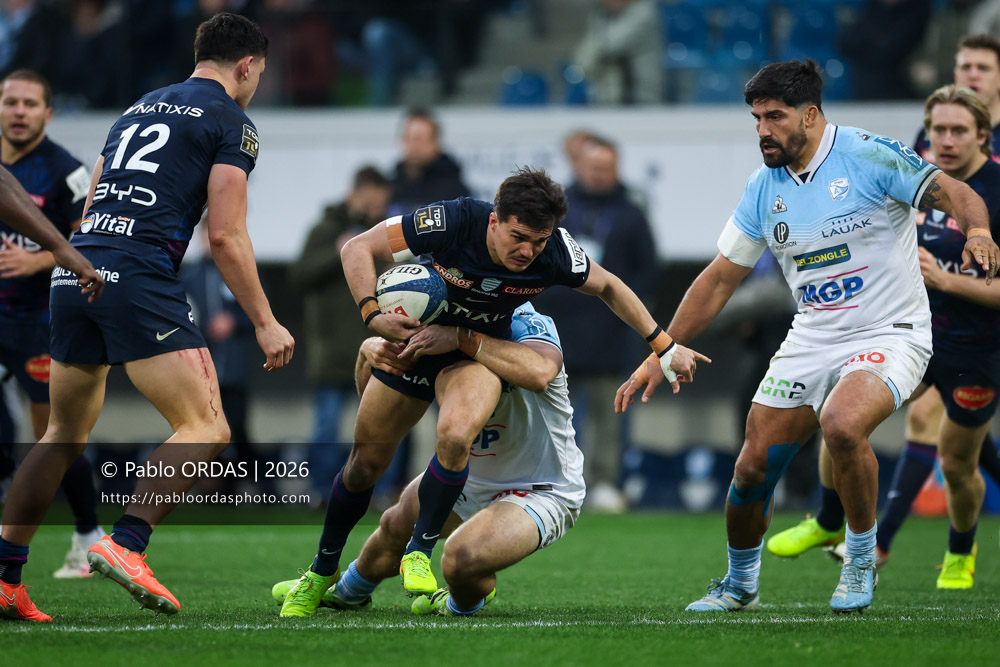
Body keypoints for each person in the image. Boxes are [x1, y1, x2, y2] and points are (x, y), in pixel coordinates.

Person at [616, 59, 999, 614]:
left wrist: (979, 232)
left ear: (811, 115)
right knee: (751, 467)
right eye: (756, 118)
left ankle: (860, 560)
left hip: (892, 331)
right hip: (813, 336)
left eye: (775, 116)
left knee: (842, 423)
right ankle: (740, 584)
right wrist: (662, 348)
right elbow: (720, 278)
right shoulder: (762, 187)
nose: (762, 130)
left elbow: (956, 192)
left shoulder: (869, 155)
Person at [278, 167, 708, 617]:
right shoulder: (453, 220)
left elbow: (609, 286)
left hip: (471, 355)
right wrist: (372, 317)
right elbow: (357, 247)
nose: (527, 251)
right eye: (518, 237)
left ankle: (419, 553)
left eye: (538, 241)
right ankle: (322, 572)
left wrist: (664, 346)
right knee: (364, 465)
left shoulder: (553, 260)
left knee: (454, 434)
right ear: (493, 220)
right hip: (419, 343)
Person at [0, 12, 294, 623]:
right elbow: (226, 236)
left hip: (77, 268)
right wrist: (265, 320)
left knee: (60, 434)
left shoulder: (136, 108)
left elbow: (92, 202)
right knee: (206, 428)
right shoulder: (232, 121)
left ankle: (4, 579)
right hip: (138, 273)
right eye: (259, 73)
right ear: (246, 66)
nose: (256, 84)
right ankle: (127, 543)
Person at [770, 35, 1000, 566]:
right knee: (841, 415)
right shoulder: (916, 166)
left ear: (983, 136)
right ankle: (840, 526)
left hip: (976, 346)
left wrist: (949, 279)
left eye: (957, 131)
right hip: (909, 330)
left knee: (959, 464)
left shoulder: (991, 191)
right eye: (937, 130)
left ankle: (958, 553)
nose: (943, 140)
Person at [273, 303, 585, 617]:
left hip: (538, 488)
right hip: (470, 476)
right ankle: (347, 592)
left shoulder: (524, 323)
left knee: (460, 559)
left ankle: (456, 603)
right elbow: (382, 417)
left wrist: (462, 338)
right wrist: (368, 356)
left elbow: (540, 372)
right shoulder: (434, 324)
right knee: (394, 524)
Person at [0, 68, 106, 579]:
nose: (18, 112)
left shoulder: (67, 172)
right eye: (10, 102)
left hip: (38, 322)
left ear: (47, 112)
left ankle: (88, 535)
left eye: (29, 104)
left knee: (55, 436)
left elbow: (88, 239)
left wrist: (37, 260)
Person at [534, 135, 656, 512]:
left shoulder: (631, 214)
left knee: (611, 414)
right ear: (579, 167)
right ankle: (556, 481)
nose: (600, 174)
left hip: (610, 334)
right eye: (594, 167)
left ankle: (604, 483)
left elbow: (648, 271)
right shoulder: (556, 211)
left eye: (607, 168)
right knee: (556, 415)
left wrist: (625, 311)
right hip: (557, 332)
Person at [289, 165, 391, 501]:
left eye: (381, 206)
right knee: (327, 426)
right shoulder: (325, 230)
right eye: (371, 204)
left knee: (382, 426)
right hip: (331, 349)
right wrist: (338, 251)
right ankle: (321, 491)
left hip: (376, 347)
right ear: (353, 196)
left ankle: (380, 492)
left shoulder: (384, 235)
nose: (375, 211)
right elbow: (299, 276)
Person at [573, 0, 662, 105]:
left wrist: (588, 54)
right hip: (609, 98)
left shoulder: (644, 13)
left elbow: (611, 44)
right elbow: (581, 59)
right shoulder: (602, 15)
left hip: (642, 98)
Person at [385, 108, 470, 218]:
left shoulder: (455, 194)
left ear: (436, 143)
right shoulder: (390, 187)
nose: (413, 146)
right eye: (408, 138)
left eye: (419, 139)